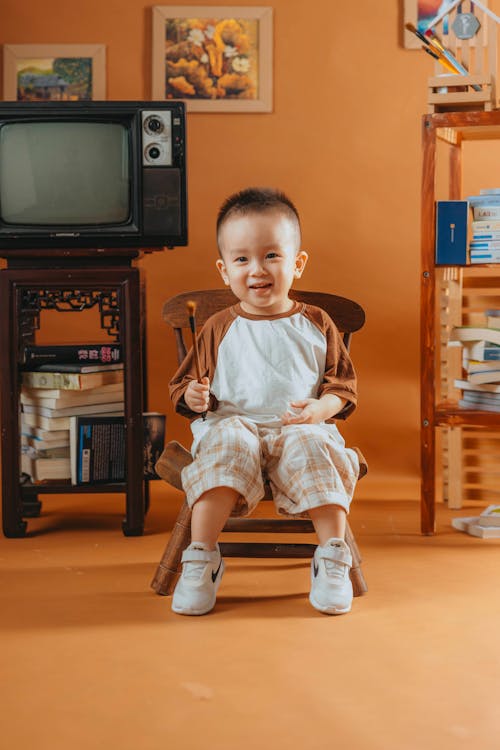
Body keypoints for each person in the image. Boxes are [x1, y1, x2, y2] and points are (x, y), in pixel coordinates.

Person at [169, 187, 366, 616]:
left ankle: (332, 555)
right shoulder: (218, 327)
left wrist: (319, 411)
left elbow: (342, 388)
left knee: (314, 446)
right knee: (226, 446)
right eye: (242, 259)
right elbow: (183, 388)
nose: (256, 269)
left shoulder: (316, 323)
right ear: (224, 270)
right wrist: (194, 395)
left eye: (271, 256)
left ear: (298, 263)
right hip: (233, 427)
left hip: (297, 429)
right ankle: (201, 556)